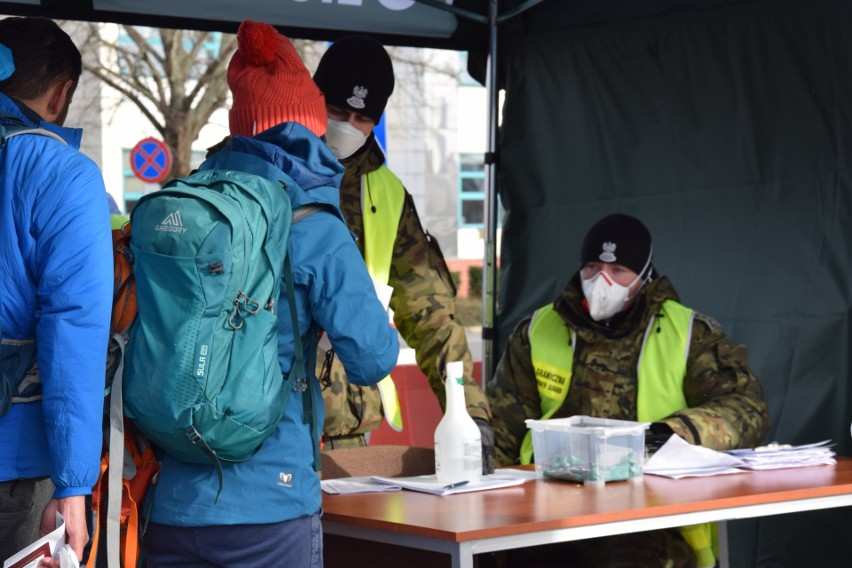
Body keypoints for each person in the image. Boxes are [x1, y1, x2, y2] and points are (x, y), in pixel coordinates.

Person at [140, 20, 399, 567]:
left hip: (171, 505)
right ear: (309, 126)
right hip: (270, 505)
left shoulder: (188, 207)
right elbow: (373, 357)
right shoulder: (314, 221)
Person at [487, 213, 771, 568]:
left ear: (645, 275)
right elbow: (499, 426)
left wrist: (669, 434)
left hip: (653, 514)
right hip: (547, 509)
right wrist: (486, 506)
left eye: (618, 270)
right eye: (592, 267)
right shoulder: (538, 329)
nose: (601, 280)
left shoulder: (688, 333)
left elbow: (748, 407)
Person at [312, 35, 494, 470]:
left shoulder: (387, 193)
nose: (346, 127)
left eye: (361, 118)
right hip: (258, 434)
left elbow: (430, 313)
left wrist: (471, 414)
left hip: (348, 437)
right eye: (336, 111)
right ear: (311, 98)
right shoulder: (261, 171)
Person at [0, 17, 113, 566]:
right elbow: (74, 330)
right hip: (14, 464)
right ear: (61, 92)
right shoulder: (63, 174)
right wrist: (73, 485)